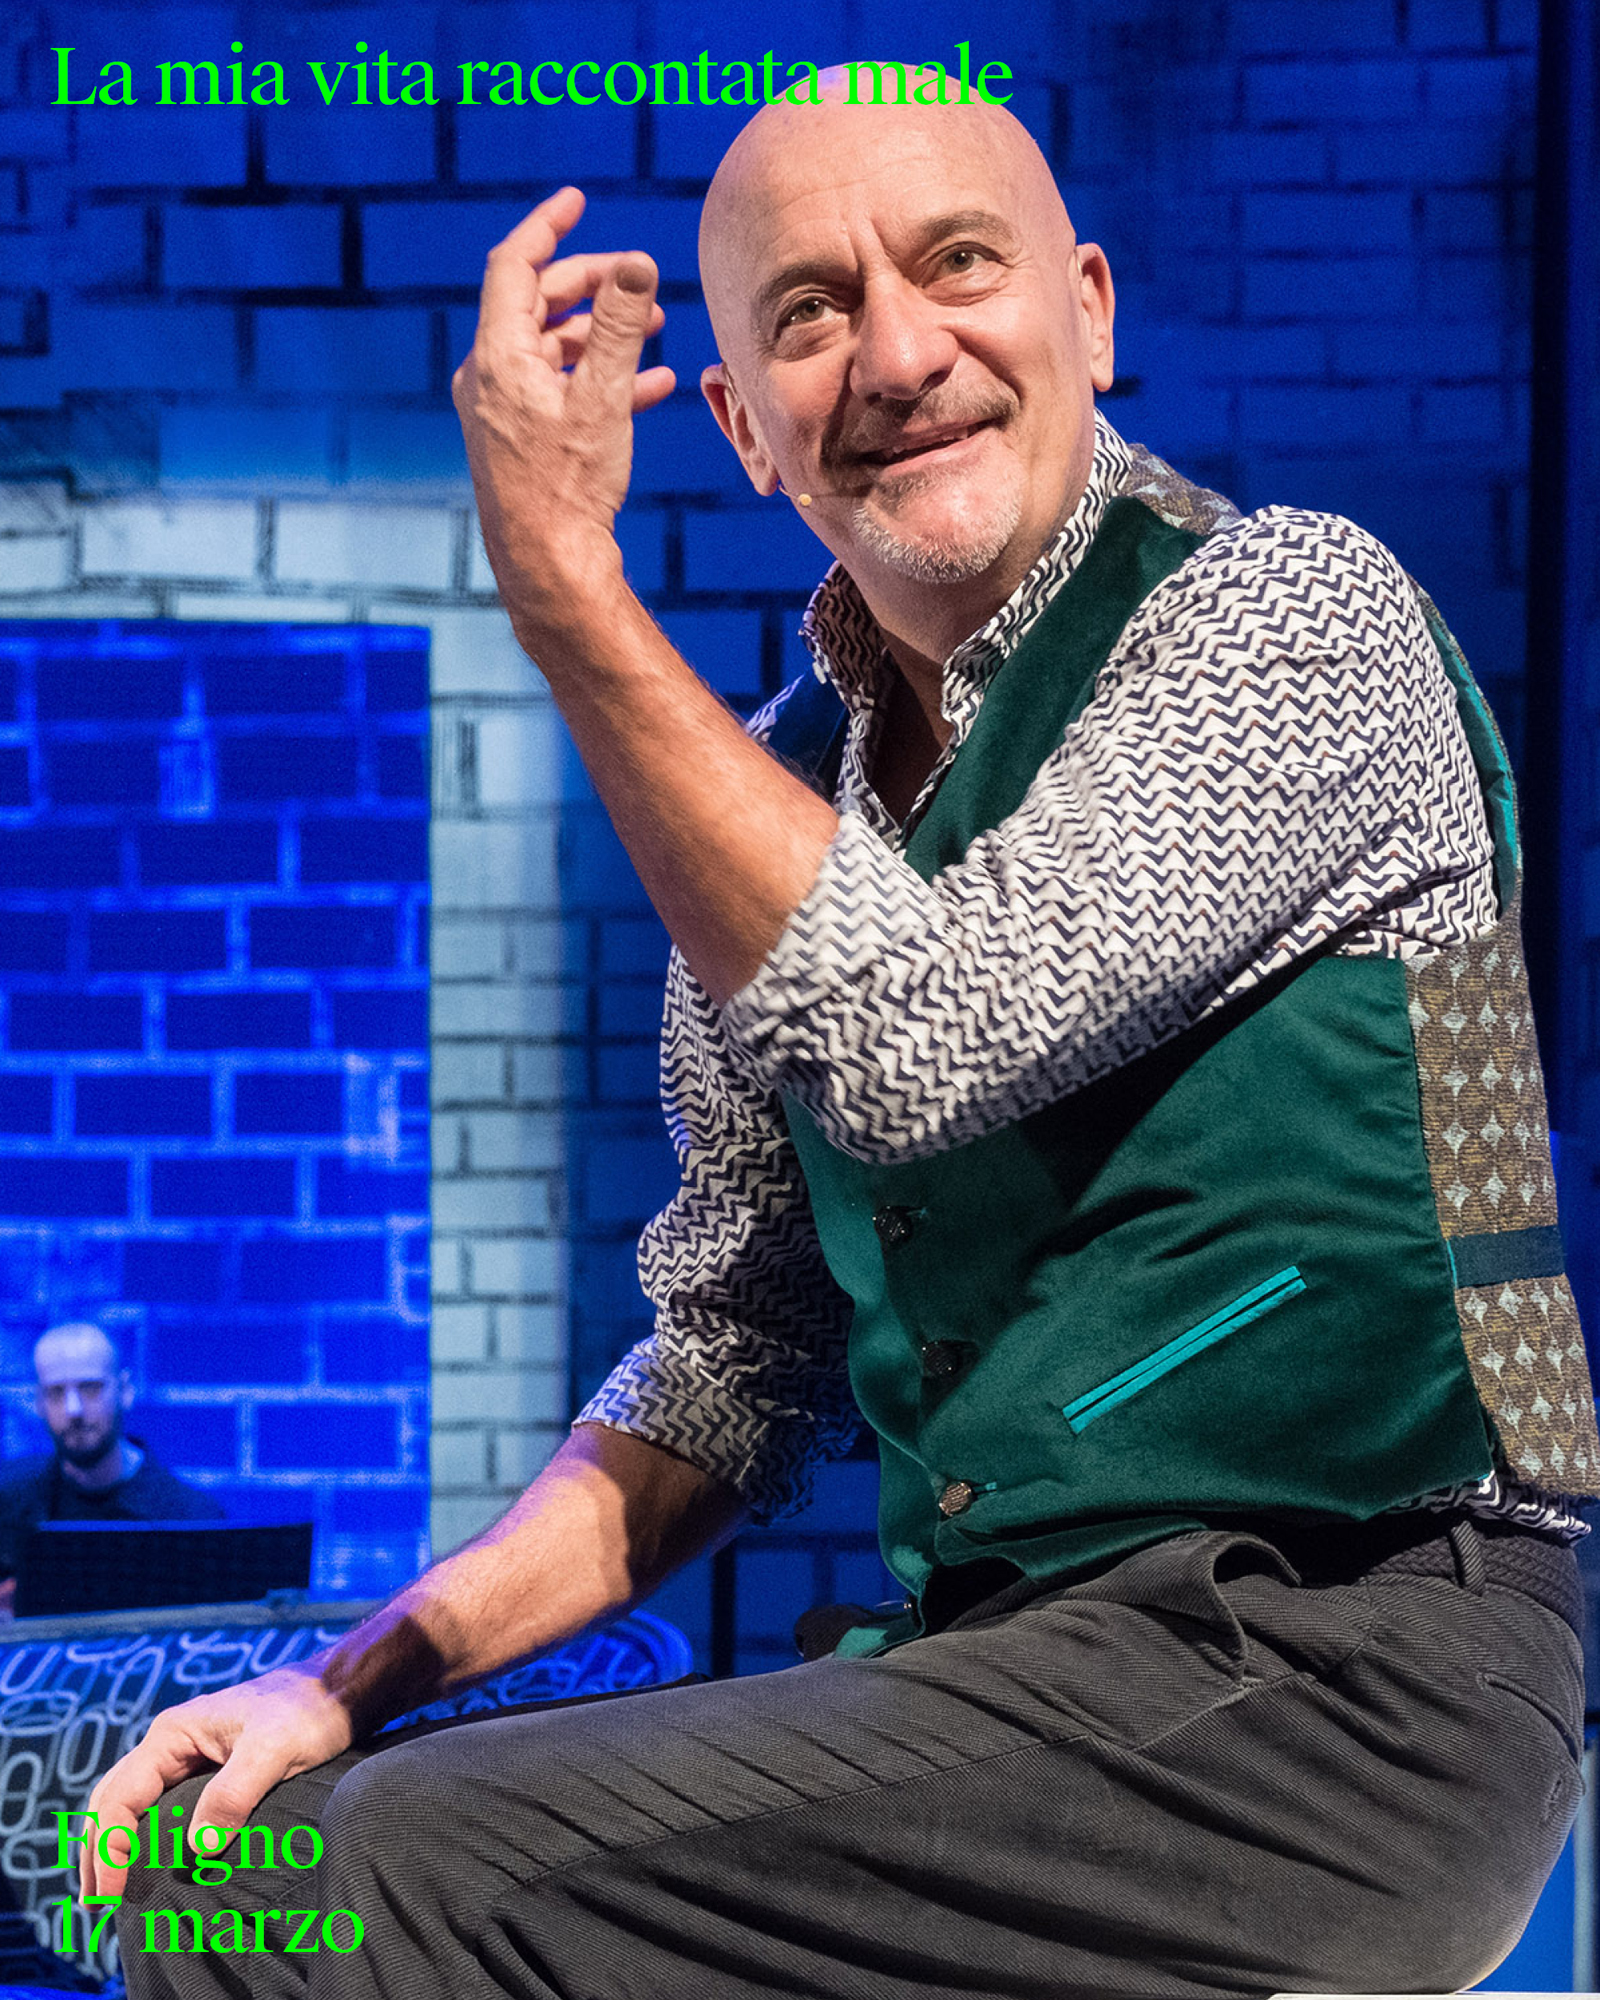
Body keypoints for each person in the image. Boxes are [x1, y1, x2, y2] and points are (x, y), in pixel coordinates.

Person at [89, 81, 1595, 1998]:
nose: (898, 354)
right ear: (742, 426)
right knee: (224, 1867)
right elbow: (729, 1367)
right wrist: (346, 1680)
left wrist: (564, 591)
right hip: (1025, 1674)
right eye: (811, 310)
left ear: (1090, 313)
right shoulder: (777, 795)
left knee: (347, 1887)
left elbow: (928, 1032)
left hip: (1351, 1667)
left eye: (958, 265)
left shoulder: (1291, 615)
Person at [0, 1322, 222, 1602]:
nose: (73, 1410)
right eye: (56, 1392)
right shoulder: (8, 1500)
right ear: (38, 1403)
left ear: (125, 1390)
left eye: (90, 1388)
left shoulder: (191, 1519)